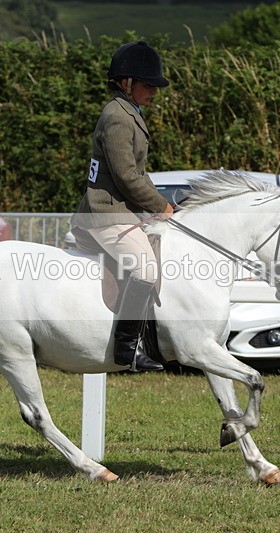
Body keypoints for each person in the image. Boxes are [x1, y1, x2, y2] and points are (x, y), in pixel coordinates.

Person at [71, 41, 174, 372]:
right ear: (126, 82)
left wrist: (164, 205)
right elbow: (128, 176)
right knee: (146, 269)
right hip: (105, 212)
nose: (153, 92)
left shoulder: (130, 112)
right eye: (148, 85)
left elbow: (138, 174)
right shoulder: (116, 115)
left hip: (122, 210)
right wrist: (160, 204)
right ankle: (127, 350)